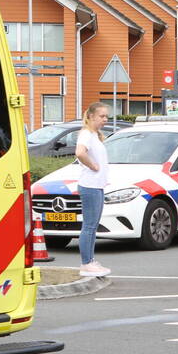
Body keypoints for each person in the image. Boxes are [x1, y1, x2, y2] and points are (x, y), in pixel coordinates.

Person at [76, 102, 111, 277]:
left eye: (106, 116)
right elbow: (80, 153)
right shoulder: (86, 134)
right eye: (101, 116)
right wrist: (93, 166)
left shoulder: (95, 135)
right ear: (90, 116)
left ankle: (89, 261)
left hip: (96, 186)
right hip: (90, 186)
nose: (105, 119)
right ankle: (86, 263)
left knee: (92, 225)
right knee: (89, 226)